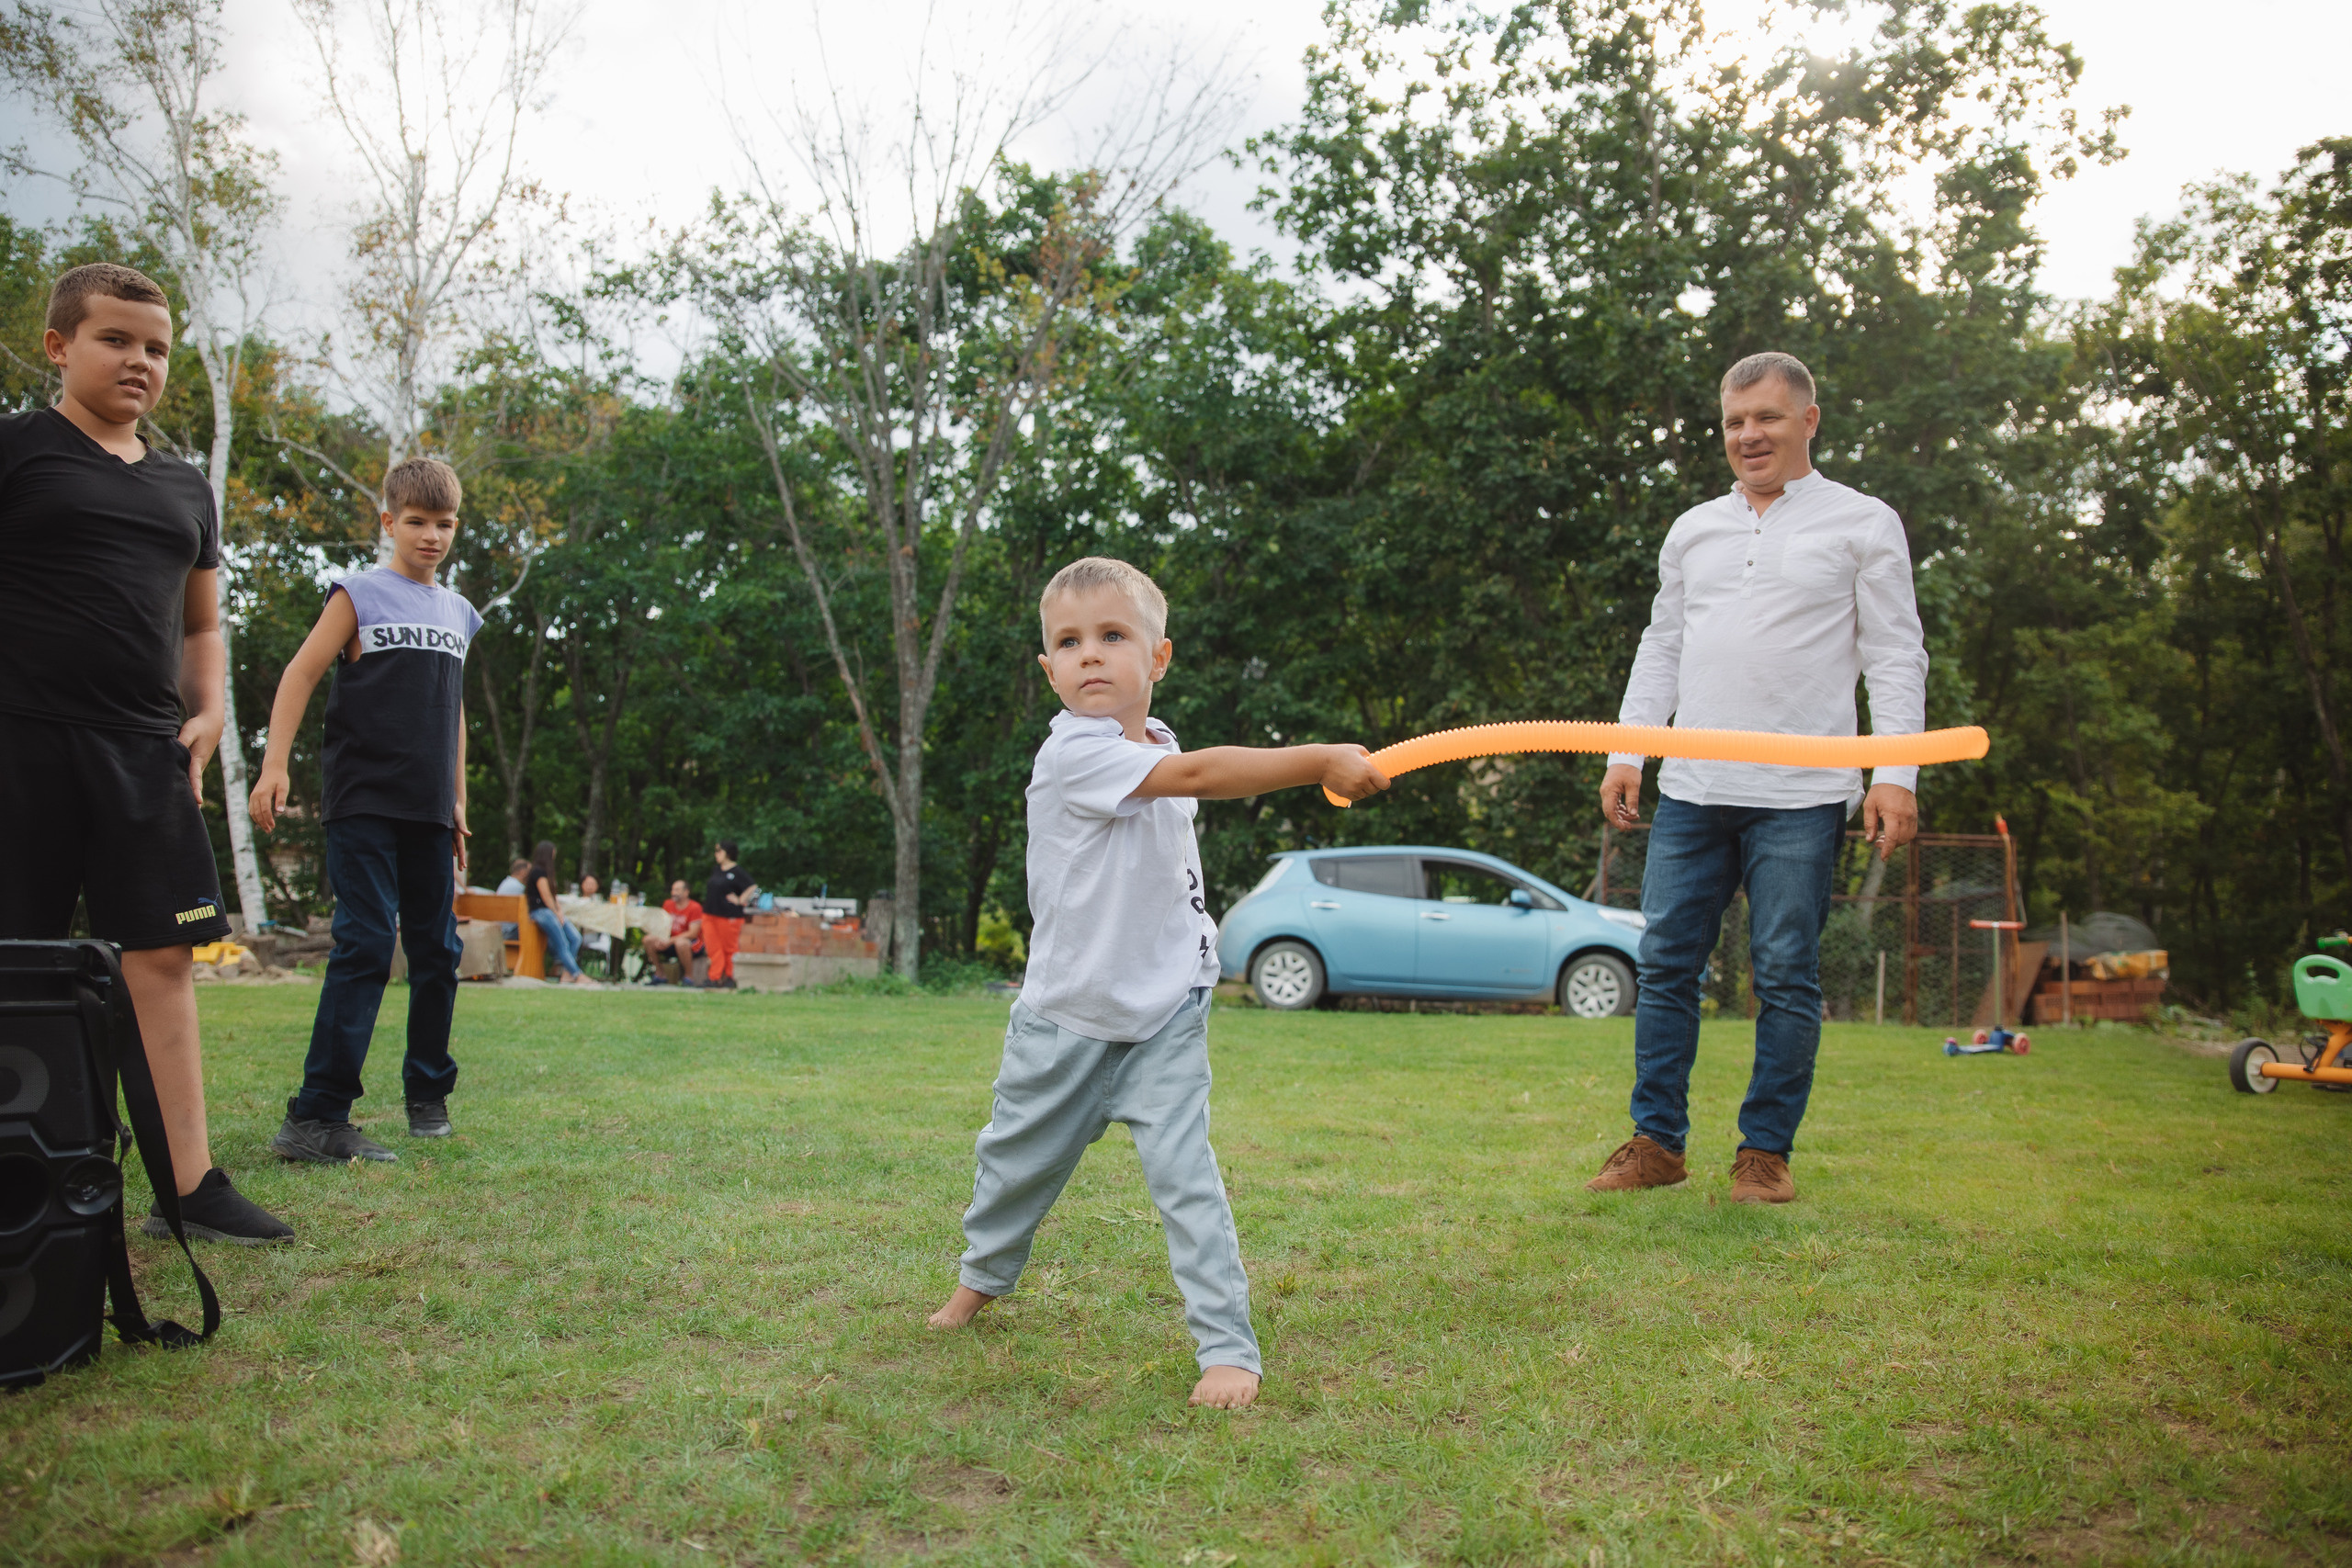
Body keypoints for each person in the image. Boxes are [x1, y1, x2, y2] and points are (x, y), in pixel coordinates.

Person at [925, 557, 1389, 1410]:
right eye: (1069, 642)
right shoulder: (1076, 753)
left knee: (1188, 1179)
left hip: (1166, 1014)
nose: (1090, 655)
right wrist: (1321, 757)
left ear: (1159, 656)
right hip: (1066, 1019)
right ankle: (979, 1281)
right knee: (1013, 1166)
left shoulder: (1157, 741)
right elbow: (1205, 777)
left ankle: (1227, 1348)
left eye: (1112, 636)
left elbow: (1171, 838)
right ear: (1047, 669)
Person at [1589, 352, 1927, 1205]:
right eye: (1736, 422)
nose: (1749, 436)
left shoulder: (1863, 521)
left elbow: (1894, 652)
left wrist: (1896, 770)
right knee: (1665, 962)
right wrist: (1629, 751)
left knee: (1784, 971)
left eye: (1768, 418)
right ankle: (1657, 1142)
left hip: (1800, 798)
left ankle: (1764, 1153)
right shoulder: (1694, 527)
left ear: (1809, 420)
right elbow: (1661, 644)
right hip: (1694, 789)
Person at [0, 263, 292, 1244]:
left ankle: (189, 1185)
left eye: (156, 348)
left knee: (162, 956)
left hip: (143, 753)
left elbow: (202, 626)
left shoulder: (184, 488)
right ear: (59, 346)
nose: (139, 362)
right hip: (22, 746)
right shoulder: (15, 454)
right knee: (16, 962)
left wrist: (209, 714)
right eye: (115, 340)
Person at [250, 456, 482, 1162]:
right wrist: (273, 763)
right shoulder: (357, 594)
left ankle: (427, 1092)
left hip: (428, 811)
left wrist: (459, 800)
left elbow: (456, 713)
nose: (431, 536)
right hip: (363, 803)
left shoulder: (458, 613)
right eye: (416, 522)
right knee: (366, 945)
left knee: (438, 951)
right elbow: (301, 671)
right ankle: (317, 1116)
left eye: (444, 524)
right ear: (389, 522)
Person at [522, 840, 594, 986]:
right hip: (541, 911)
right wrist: (556, 913)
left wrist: (559, 912)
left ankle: (567, 974)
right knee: (562, 943)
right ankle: (577, 974)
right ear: (548, 854)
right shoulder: (538, 872)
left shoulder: (547, 872)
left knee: (575, 938)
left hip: (551, 911)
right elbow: (546, 896)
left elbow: (553, 896)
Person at [700, 841, 758, 990]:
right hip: (710, 913)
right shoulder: (716, 870)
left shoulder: (737, 871)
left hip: (729, 916)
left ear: (728, 852)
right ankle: (714, 976)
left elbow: (752, 886)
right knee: (713, 947)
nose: (716, 854)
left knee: (729, 947)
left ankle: (730, 977)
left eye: (719, 851)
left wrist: (739, 900)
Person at [641, 877, 703, 985]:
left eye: (677, 890)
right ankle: (660, 974)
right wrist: (661, 939)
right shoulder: (668, 904)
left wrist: (670, 940)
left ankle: (689, 977)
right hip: (669, 940)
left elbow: (693, 934)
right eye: (673, 890)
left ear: (686, 892)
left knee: (681, 943)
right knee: (648, 940)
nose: (673, 893)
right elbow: (662, 926)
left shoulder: (695, 907)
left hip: (691, 943)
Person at [495, 856, 529, 940]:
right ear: (523, 872)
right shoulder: (519, 888)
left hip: (499, 929)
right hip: (508, 932)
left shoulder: (505, 882)